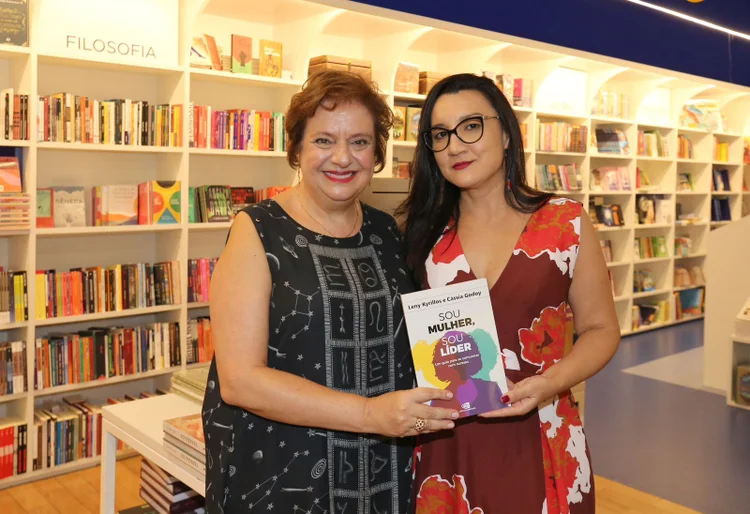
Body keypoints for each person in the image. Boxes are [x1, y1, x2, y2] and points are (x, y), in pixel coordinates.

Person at [201, 69, 458, 514]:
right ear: (297, 149)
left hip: (380, 468)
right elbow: (240, 381)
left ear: (376, 152)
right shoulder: (257, 230)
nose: (342, 157)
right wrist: (369, 415)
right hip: (283, 473)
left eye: (359, 142)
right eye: (323, 140)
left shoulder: (386, 232)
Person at [396, 73, 621, 513]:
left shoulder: (565, 223)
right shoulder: (418, 235)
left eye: (471, 126)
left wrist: (549, 384)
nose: (456, 145)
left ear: (505, 133)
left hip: (542, 432)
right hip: (447, 441)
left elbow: (601, 329)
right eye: (440, 135)